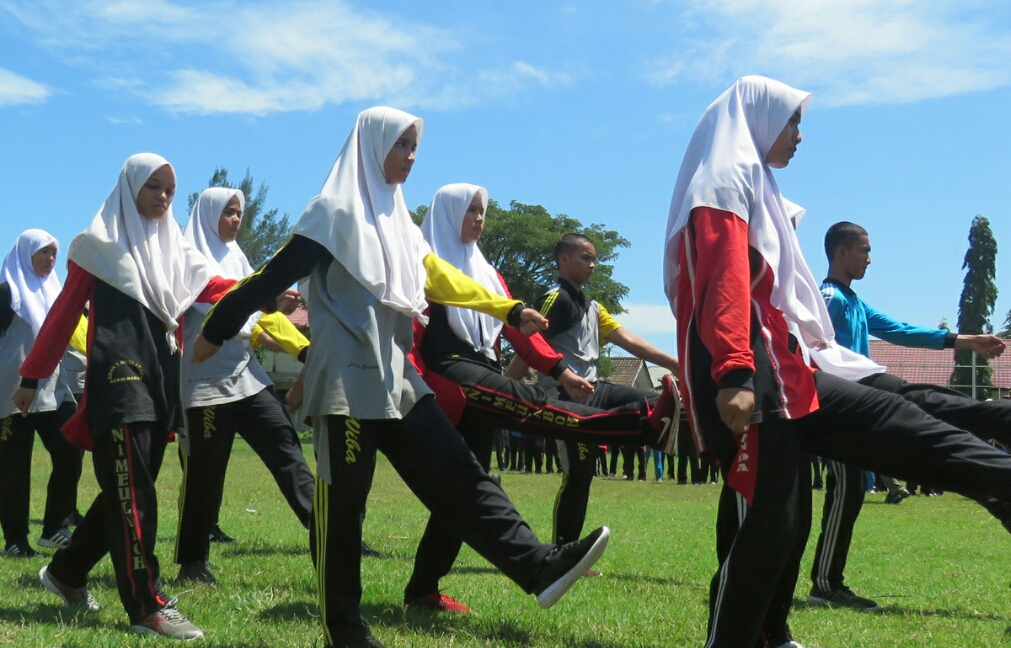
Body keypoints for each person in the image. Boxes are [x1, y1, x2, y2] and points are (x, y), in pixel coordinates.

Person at [193, 108, 610, 648]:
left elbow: (438, 277)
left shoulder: (399, 225)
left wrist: (506, 309)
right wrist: (218, 329)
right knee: (343, 510)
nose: (411, 157)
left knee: (462, 476)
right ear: (372, 145)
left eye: (416, 147)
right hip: (345, 385)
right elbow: (270, 278)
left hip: (397, 380)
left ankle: (540, 567)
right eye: (402, 146)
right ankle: (343, 630)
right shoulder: (332, 214)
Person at [665, 75, 1011, 648]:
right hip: (755, 369)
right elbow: (722, 278)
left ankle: (771, 635)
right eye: (793, 120)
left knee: (879, 450)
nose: (800, 134)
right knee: (771, 519)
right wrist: (733, 372)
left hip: (788, 371)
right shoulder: (725, 179)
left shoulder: (755, 181)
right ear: (760, 117)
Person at [13, 153, 257, 640]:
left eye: (169, 189)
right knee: (135, 493)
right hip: (117, 379)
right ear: (129, 189)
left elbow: (212, 285)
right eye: (153, 187)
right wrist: (32, 376)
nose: (163, 197)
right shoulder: (99, 248)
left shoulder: (177, 253)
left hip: (160, 381)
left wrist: (264, 287)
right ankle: (147, 604)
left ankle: (64, 573)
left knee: (125, 490)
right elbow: (63, 313)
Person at [403, 182, 675, 613]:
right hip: (446, 374)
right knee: (532, 406)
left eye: (482, 210)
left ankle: (422, 590)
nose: (479, 218)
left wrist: (562, 371)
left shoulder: (487, 271)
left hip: (478, 368)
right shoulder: (418, 263)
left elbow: (517, 330)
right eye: (470, 210)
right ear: (448, 214)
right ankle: (643, 425)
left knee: (464, 490)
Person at [807, 220, 1007, 610]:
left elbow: (900, 330)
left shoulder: (853, 301)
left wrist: (965, 341)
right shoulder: (828, 298)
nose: (869, 257)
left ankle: (827, 581)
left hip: (865, 409)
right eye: (863, 249)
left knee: (852, 490)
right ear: (841, 252)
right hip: (841, 411)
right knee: (846, 490)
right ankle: (825, 584)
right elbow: (809, 350)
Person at [174, 186, 315, 584]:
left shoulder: (239, 258)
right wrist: (265, 296)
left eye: (239, 213)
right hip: (204, 378)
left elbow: (260, 317)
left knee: (286, 447)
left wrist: (301, 346)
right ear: (208, 214)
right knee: (206, 470)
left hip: (246, 373)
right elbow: (211, 294)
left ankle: (329, 532)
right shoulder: (187, 256)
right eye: (228, 212)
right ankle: (192, 562)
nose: (236, 219)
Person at [506, 233, 681, 546]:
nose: (593, 264)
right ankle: (564, 550)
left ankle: (656, 437)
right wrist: (504, 391)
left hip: (595, 389)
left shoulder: (592, 307)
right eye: (586, 257)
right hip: (564, 396)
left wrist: (673, 363)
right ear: (564, 260)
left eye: (594, 258)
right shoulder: (555, 299)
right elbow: (528, 347)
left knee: (658, 403)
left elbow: (628, 340)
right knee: (580, 473)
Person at [0, 230, 84, 556]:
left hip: (53, 391)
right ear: (26, 254)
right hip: (10, 394)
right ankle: (15, 541)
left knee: (70, 449)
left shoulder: (56, 292)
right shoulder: (7, 293)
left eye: (54, 254)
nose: (51, 260)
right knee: (13, 469)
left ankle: (53, 528)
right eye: (44, 253)